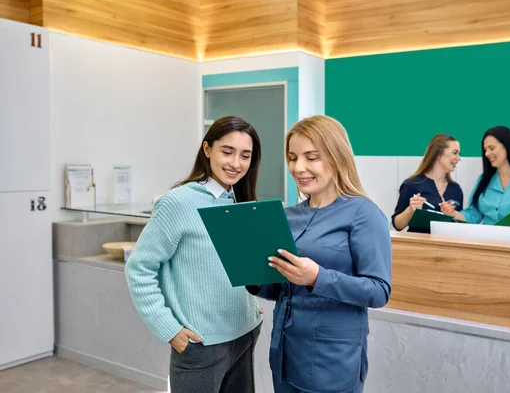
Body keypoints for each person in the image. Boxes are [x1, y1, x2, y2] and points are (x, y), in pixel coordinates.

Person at [247, 115, 392, 393]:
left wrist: (317, 278)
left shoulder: (364, 213)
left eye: (311, 157)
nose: (298, 167)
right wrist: (254, 279)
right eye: (292, 157)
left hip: (333, 359)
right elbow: (284, 287)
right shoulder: (287, 215)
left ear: (337, 157)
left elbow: (378, 291)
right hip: (285, 354)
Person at [125, 116, 264, 393]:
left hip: (245, 334)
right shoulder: (178, 202)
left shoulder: (241, 200)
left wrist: (248, 303)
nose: (236, 163)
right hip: (200, 346)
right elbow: (139, 269)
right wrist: (170, 330)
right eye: (227, 151)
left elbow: (235, 265)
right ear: (207, 149)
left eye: (245, 155)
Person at [440, 125, 510, 239]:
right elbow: (474, 214)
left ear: (507, 146)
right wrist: (454, 214)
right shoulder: (484, 180)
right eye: (485, 150)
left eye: (491, 148)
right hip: (487, 248)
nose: (487, 154)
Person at [391, 134, 463, 232]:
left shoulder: (456, 189)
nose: (459, 158)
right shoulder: (411, 185)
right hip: (418, 246)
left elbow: (460, 227)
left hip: (447, 246)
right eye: (455, 153)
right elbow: (397, 225)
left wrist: (453, 215)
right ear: (438, 154)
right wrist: (410, 210)